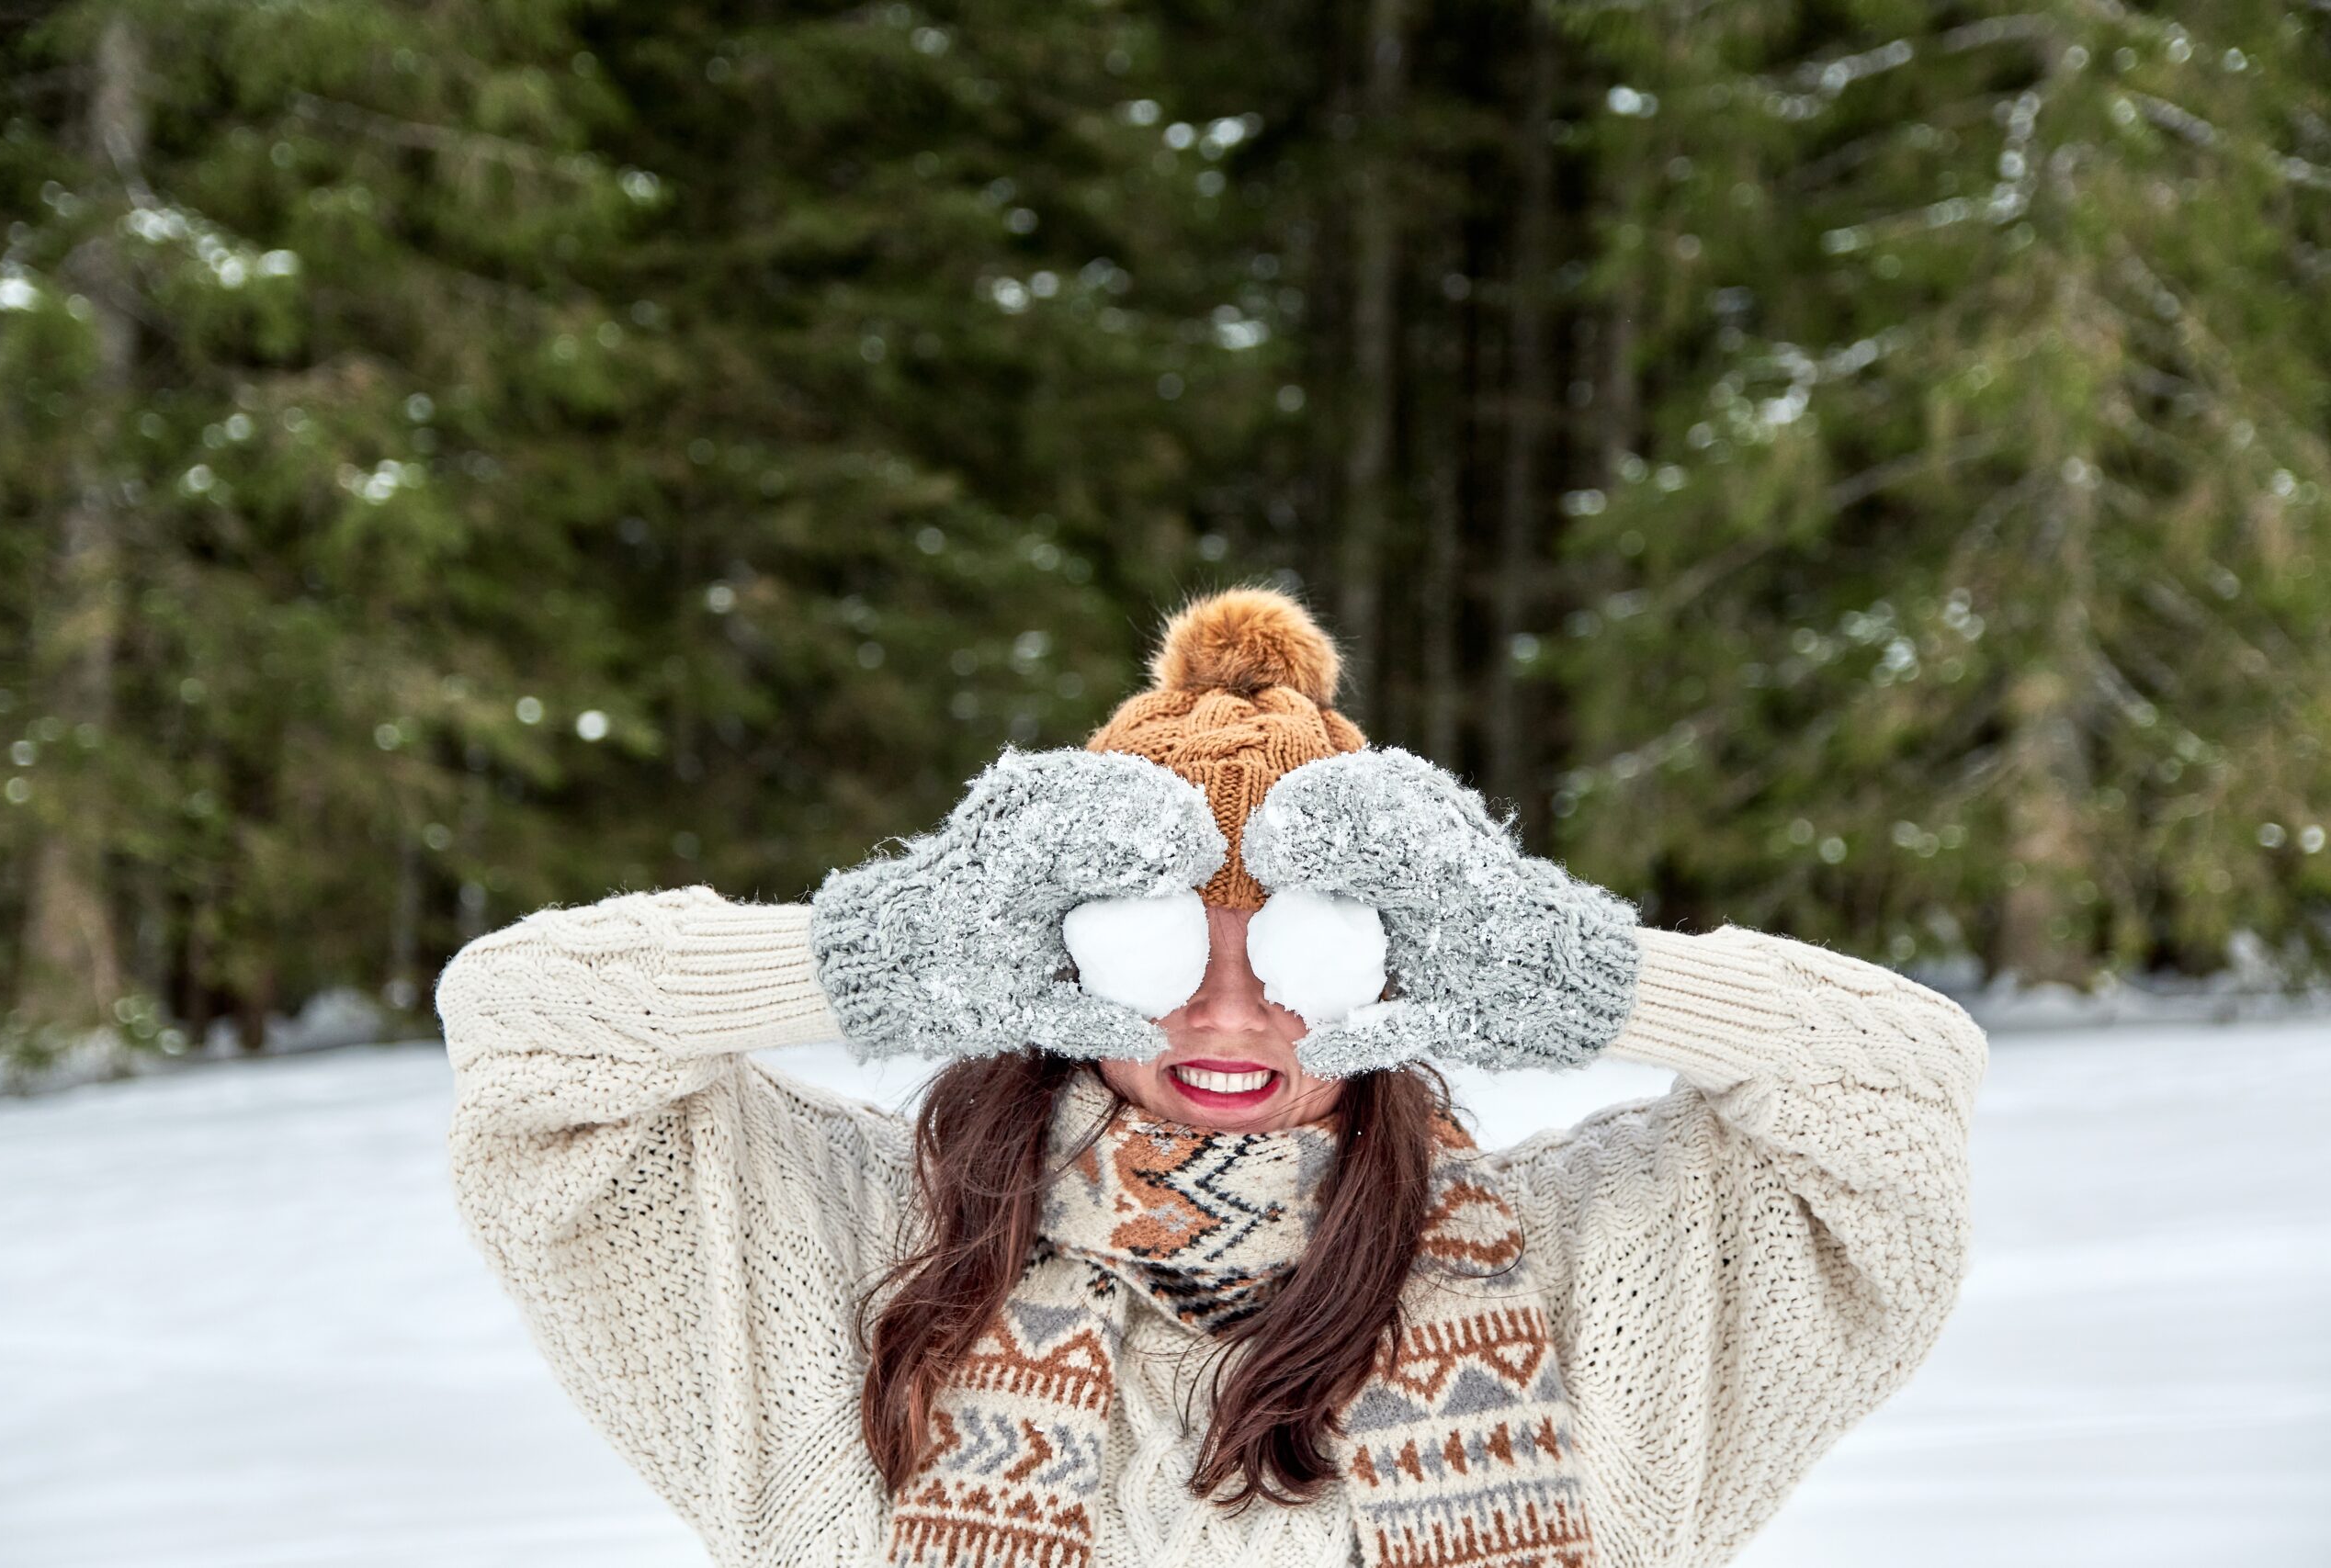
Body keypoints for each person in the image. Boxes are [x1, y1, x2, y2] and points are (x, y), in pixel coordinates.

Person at [436, 585, 1986, 1568]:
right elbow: (520, 1035)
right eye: (1160, 951)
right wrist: (881, 947)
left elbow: (1903, 1092)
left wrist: (1586, 978)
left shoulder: (1611, 1274)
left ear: (1392, 963)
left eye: (1295, 954)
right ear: (1056, 956)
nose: (1226, 1018)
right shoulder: (859, 1262)